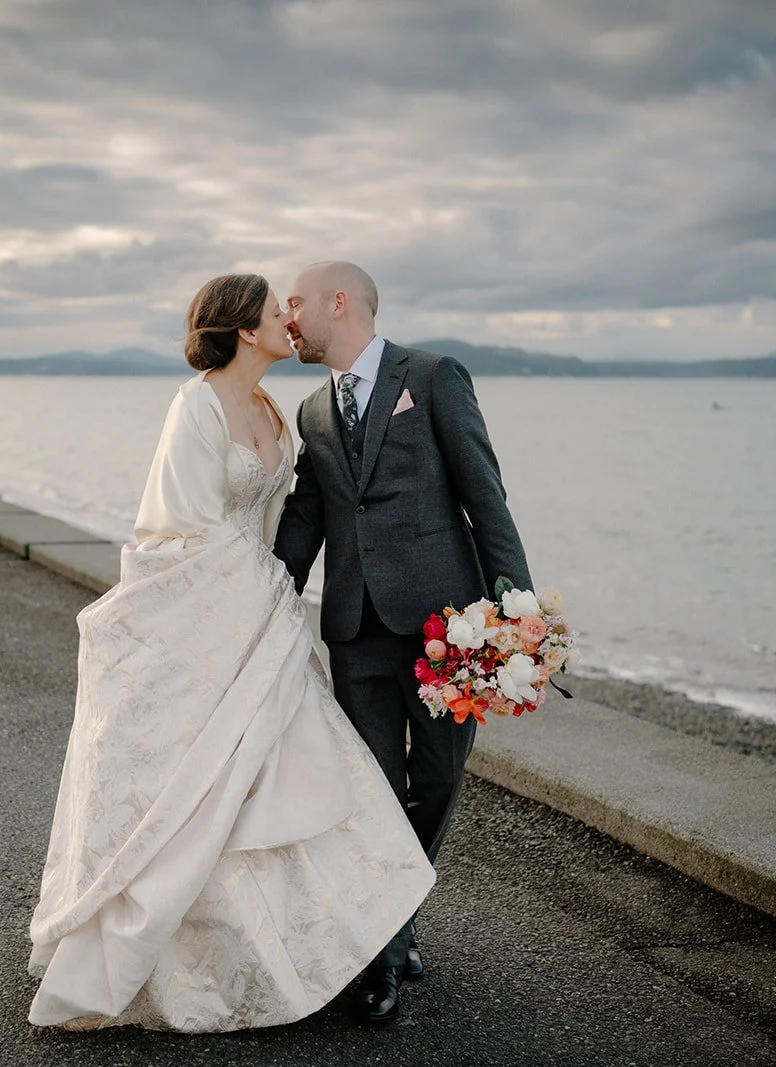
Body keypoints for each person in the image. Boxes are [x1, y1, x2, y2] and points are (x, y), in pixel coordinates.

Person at [26, 274, 434, 1032]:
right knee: (207, 785)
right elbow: (179, 529)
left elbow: (290, 517)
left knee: (292, 773)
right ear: (246, 330)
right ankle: (202, 960)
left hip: (263, 612)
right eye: (277, 310)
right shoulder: (196, 406)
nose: (288, 319)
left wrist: (280, 590)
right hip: (212, 616)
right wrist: (259, 594)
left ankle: (341, 941)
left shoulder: (276, 409)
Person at [273, 261, 532, 1023]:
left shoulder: (434, 376)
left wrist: (517, 614)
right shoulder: (313, 411)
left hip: (445, 629)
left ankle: (397, 912)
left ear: (340, 302)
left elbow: (485, 495)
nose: (289, 317)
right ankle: (383, 955)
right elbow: (307, 515)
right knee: (375, 793)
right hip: (355, 631)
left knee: (440, 780)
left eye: (297, 301)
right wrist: (260, 591)